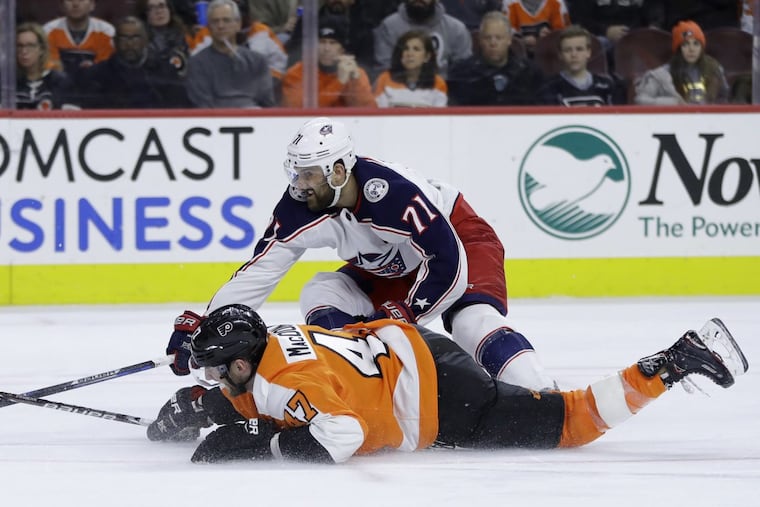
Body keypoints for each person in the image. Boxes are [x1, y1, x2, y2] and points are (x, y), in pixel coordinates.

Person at [164, 116, 556, 393]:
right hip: (391, 265)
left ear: (338, 171)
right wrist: (204, 328)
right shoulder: (299, 206)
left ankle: (544, 395)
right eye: (296, 174)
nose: (300, 186)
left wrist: (406, 313)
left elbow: (445, 260)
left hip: (459, 242)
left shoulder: (393, 194)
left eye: (309, 174)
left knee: (471, 320)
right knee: (320, 292)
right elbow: (260, 269)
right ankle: (366, 383)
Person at [148, 304, 748, 463]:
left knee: (571, 422)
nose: (214, 380)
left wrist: (259, 438)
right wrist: (210, 405)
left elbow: (341, 436)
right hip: (416, 350)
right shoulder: (271, 341)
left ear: (242, 363)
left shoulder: (279, 380)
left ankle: (677, 361)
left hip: (438, 400)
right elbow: (276, 391)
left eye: (215, 371)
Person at [76, 16, 190, 108]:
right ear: (115, 42)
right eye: (124, 38)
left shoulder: (165, 70)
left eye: (135, 38)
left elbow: (180, 106)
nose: (129, 44)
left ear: (145, 40)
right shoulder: (98, 74)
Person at [185, 0, 275, 108]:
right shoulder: (197, 63)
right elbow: (203, 105)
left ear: (238, 24)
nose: (221, 26)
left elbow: (267, 104)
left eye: (226, 20)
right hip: (215, 121)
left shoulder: (258, 61)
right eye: (215, 21)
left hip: (254, 119)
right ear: (208, 27)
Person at [447, 11, 544, 105]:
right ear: (480, 40)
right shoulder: (462, 74)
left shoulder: (529, 73)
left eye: (499, 38)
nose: (493, 43)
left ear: (509, 39)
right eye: (487, 38)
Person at [281, 15, 377, 107]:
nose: (326, 48)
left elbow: (369, 112)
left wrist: (355, 82)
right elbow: (297, 110)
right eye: (322, 42)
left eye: (333, 43)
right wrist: (339, 83)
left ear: (342, 49)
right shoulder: (296, 73)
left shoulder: (355, 72)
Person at [634, 20, 729, 105]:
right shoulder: (663, 75)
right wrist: (673, 103)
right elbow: (641, 100)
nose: (691, 49)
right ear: (678, 49)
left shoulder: (714, 69)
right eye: (685, 44)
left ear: (702, 48)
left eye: (696, 44)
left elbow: (724, 98)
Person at [373, 0, 472, 79]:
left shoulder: (456, 29)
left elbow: (464, 72)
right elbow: (384, 69)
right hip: (398, 92)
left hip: (446, 93)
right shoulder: (389, 26)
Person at [538, 25, 624, 106]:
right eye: (568, 50)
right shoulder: (549, 88)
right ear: (560, 54)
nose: (574, 55)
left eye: (579, 49)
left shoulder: (607, 85)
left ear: (588, 52)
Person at [373, 29, 448, 107]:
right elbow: (378, 113)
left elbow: (440, 117)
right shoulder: (385, 79)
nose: (410, 54)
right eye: (406, 49)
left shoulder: (438, 83)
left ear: (427, 57)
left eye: (416, 49)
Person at [44, 0, 115, 75]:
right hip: (58, 83)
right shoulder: (49, 30)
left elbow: (105, 68)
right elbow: (50, 68)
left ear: (92, 5)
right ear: (62, 5)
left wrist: (93, 68)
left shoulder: (106, 31)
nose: (75, 4)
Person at [16, 22, 77, 110]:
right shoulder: (8, 83)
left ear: (41, 49)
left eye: (30, 45)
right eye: (20, 46)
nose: (24, 51)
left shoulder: (59, 81)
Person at [135, 0, 193, 76]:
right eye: (152, 7)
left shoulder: (182, 35)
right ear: (145, 14)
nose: (159, 11)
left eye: (161, 6)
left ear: (169, 9)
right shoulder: (139, 41)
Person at [502, 0, 571, 56]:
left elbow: (566, 35)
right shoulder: (510, 3)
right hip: (519, 57)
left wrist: (549, 37)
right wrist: (522, 41)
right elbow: (506, 35)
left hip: (550, 55)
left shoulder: (557, 2)